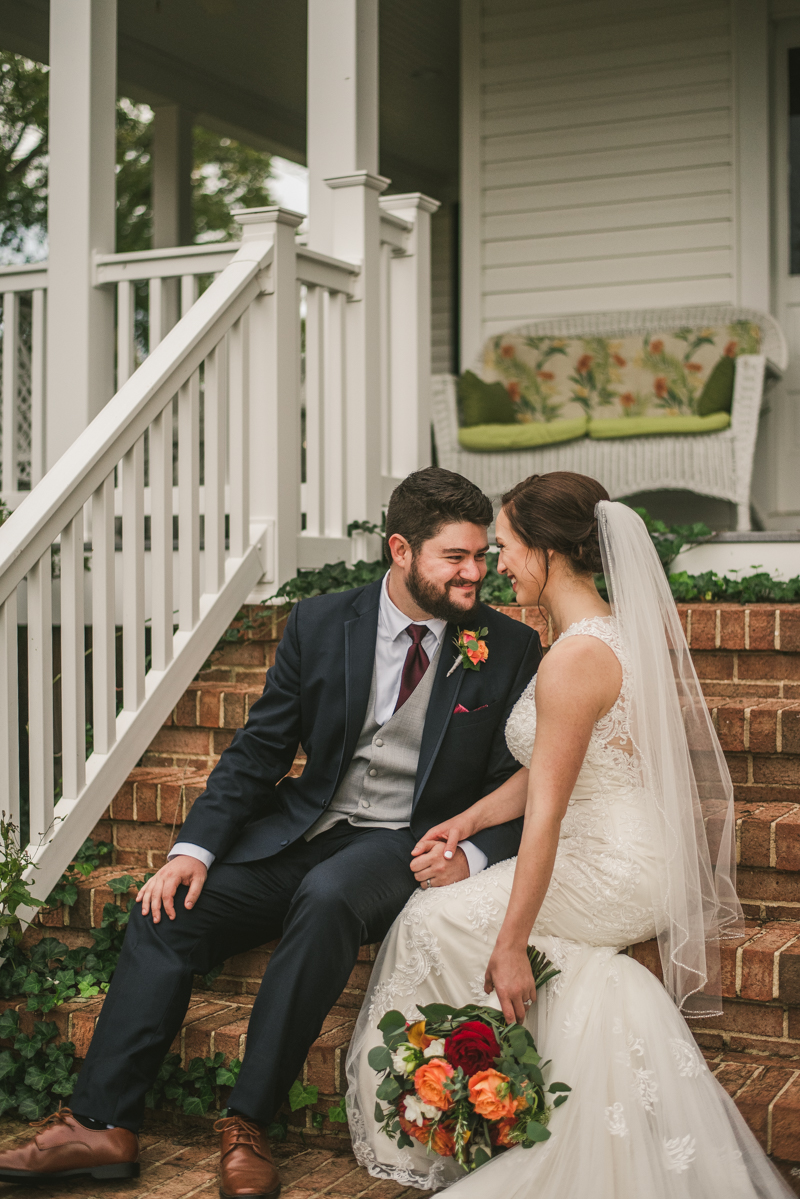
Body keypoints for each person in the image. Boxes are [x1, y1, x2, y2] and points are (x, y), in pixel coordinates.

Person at [0, 467, 541, 1199]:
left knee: (326, 898)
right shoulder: (322, 622)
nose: (476, 572)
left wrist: (471, 852)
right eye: (457, 557)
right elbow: (260, 750)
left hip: (402, 841)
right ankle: (101, 1123)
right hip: (305, 824)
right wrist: (194, 849)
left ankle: (247, 1123)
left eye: (481, 555)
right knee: (167, 911)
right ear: (401, 550)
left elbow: (532, 781)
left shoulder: (505, 647)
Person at [347, 471, 794, 1198]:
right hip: (618, 842)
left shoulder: (573, 657)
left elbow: (548, 817)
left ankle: (471, 1116)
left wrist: (512, 942)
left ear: (551, 552)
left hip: (612, 864)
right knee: (453, 918)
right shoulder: (598, 633)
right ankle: (498, 1098)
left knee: (430, 921)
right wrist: (468, 820)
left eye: (508, 547)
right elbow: (553, 767)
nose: (498, 564)